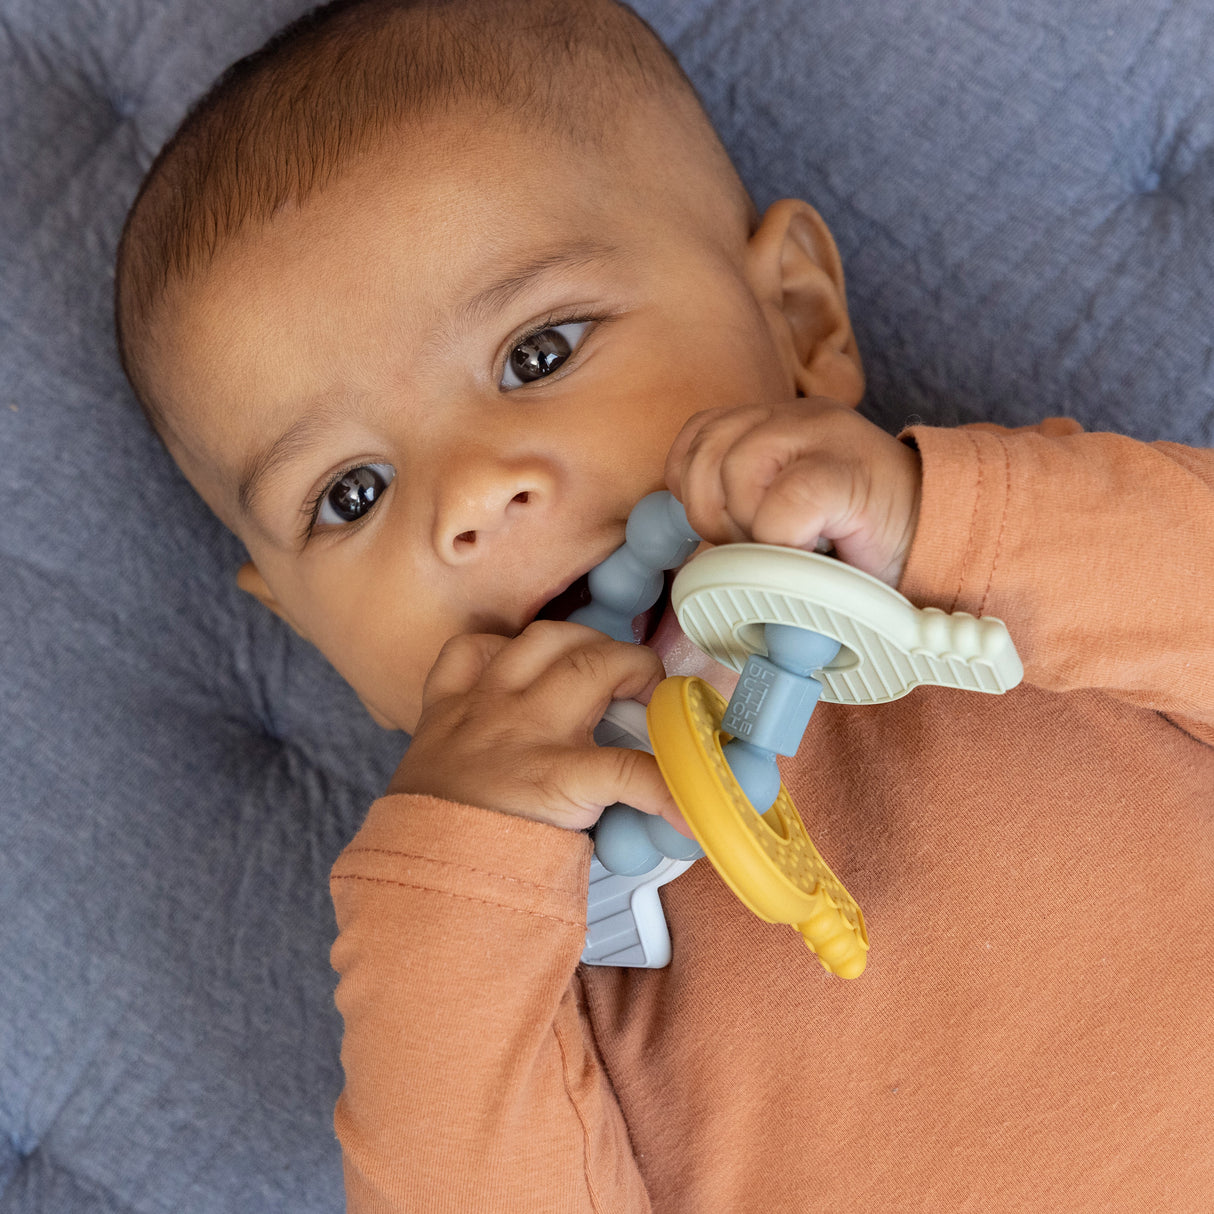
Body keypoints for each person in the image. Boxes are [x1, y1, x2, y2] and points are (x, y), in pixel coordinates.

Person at [113, 0, 1214, 1208]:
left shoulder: (1021, 566)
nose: (468, 501)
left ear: (798, 320)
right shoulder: (524, 959)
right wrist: (452, 903)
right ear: (304, 629)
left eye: (538, 353)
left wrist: (943, 517)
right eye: (349, 493)